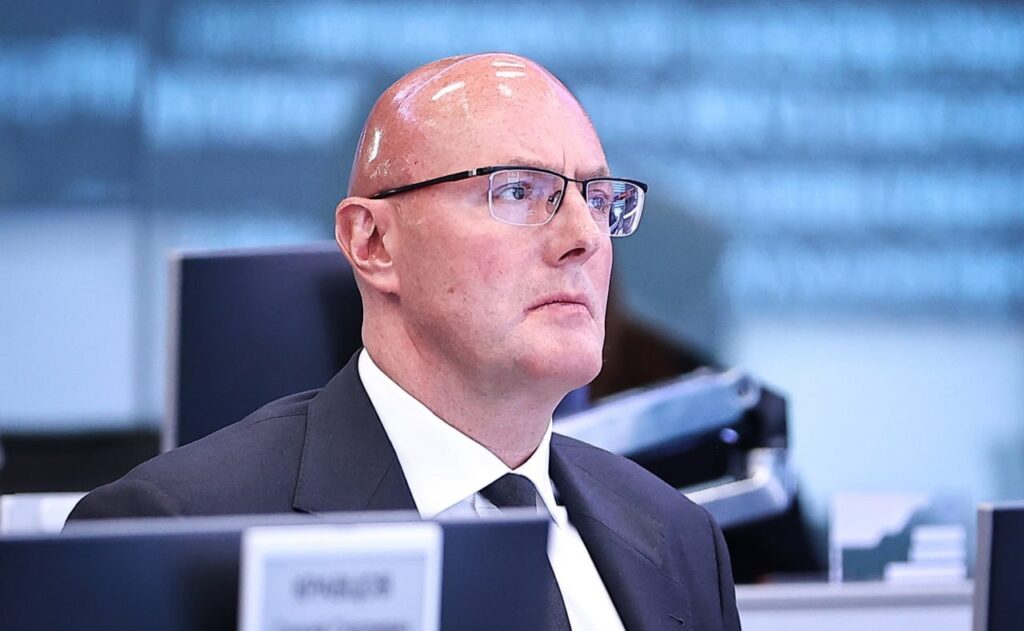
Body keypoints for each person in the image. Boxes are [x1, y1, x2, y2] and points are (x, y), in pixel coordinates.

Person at [68, 53, 741, 630]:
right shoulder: (173, 530)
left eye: (597, 199)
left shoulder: (680, 539)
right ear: (373, 242)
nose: (585, 238)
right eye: (517, 191)